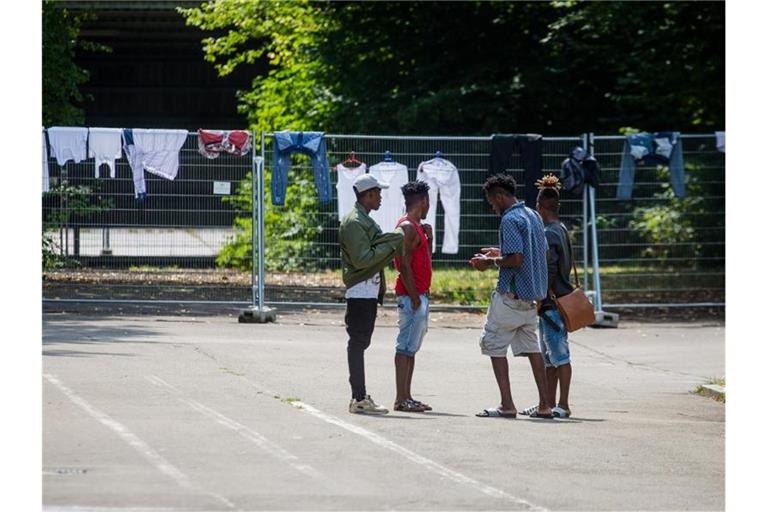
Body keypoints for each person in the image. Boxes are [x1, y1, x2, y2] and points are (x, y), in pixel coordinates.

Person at [470, 174, 553, 419]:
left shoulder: (509, 219)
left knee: (494, 345)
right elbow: (536, 252)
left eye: (491, 202)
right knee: (532, 348)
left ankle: (507, 405)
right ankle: (544, 405)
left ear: (499, 195)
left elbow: (515, 260)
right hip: (530, 300)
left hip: (510, 298)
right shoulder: (532, 215)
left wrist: (490, 261)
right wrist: (501, 252)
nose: (492, 207)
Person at [339, 173, 404, 415]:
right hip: (360, 290)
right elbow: (363, 259)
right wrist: (395, 240)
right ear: (366, 195)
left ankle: (360, 396)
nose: (380, 197)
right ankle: (358, 397)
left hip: (366, 290)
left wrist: (391, 241)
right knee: (358, 342)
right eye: (377, 192)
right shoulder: (355, 222)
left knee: (360, 341)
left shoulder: (362, 219)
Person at [522, 176, 574, 418]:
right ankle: (548, 403)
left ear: (540, 208)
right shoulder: (561, 229)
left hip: (552, 303)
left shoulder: (548, 233)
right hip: (560, 299)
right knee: (550, 359)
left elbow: (549, 268)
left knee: (560, 356)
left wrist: (541, 297)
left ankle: (562, 404)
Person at [392, 181, 434, 412]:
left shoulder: (416, 227)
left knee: (411, 348)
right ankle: (401, 398)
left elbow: (420, 260)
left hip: (418, 294)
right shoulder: (407, 227)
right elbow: (403, 264)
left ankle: (407, 396)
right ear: (424, 201)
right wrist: (415, 297)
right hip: (412, 296)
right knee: (405, 347)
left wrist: (430, 238)